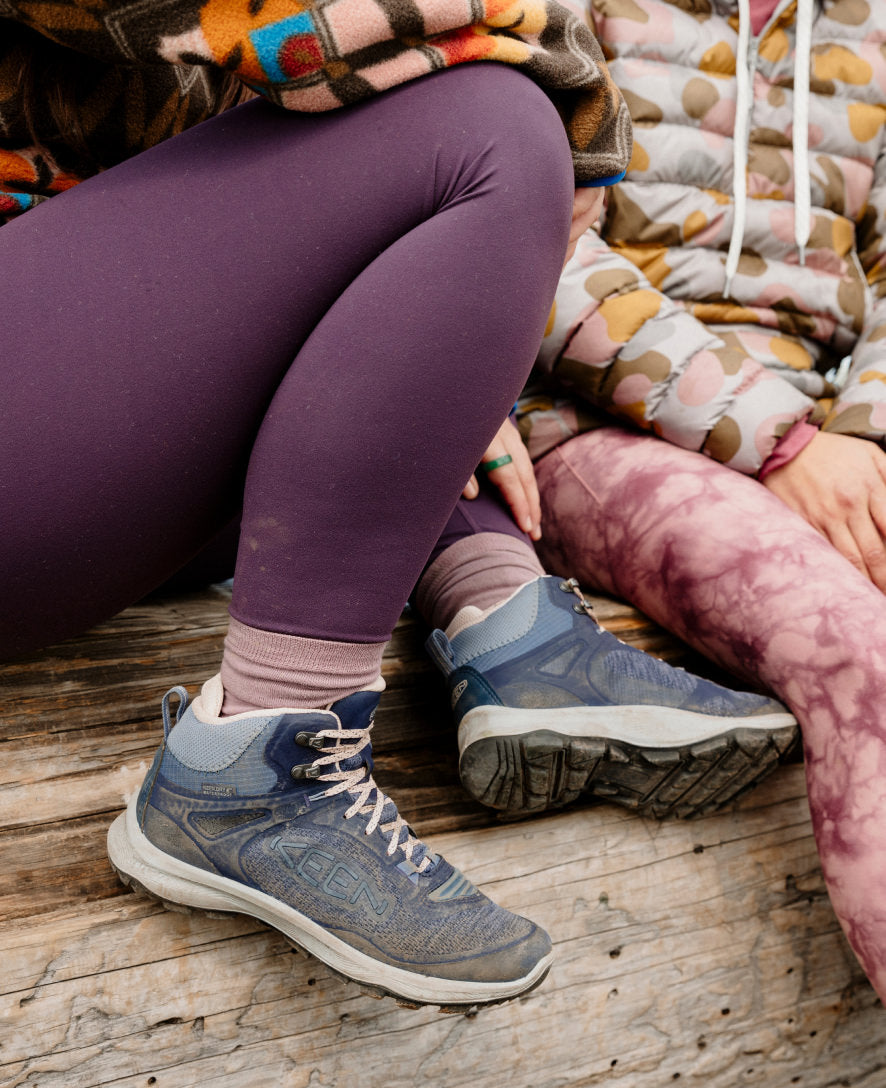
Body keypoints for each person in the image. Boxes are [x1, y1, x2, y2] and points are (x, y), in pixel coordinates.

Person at [0, 0, 633, 1008]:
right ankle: (260, 765)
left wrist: (439, 368)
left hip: (74, 461)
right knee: (493, 126)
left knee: (398, 359)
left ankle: (512, 631)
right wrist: (578, 93)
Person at [435, 0, 886, 1003]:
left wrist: (857, 437)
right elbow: (522, 234)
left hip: (830, 432)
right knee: (863, 654)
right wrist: (776, 438)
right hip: (594, 426)